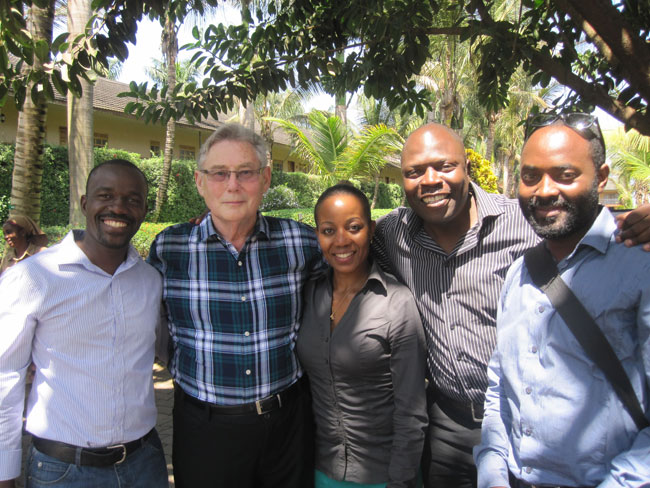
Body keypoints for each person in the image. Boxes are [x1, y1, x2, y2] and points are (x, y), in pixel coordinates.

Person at [371, 122, 650, 488]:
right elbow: (348, 245)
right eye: (414, 172)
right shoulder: (392, 235)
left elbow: (580, 227)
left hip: (561, 445)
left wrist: (636, 224)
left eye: (444, 166)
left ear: (467, 167)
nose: (430, 180)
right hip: (451, 427)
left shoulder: (528, 221)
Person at [474, 116, 650, 487]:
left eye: (565, 175)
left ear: (601, 177)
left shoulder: (640, 266)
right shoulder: (519, 274)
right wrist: (492, 470)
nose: (544, 190)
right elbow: (500, 387)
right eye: (530, 176)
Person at [147, 123, 326, 488]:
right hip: (204, 429)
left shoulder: (301, 243)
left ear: (266, 179)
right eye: (219, 173)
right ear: (199, 182)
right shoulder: (170, 248)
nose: (232, 185)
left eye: (245, 172)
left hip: (288, 425)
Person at [0, 159, 168, 488]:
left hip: (145, 464)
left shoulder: (150, 280)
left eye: (132, 200)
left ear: (144, 210)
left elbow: (168, 350)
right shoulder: (33, 278)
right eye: (105, 196)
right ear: (84, 203)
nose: (118, 208)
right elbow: (5, 376)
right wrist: (4, 473)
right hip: (63, 471)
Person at [297, 184, 428, 488]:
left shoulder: (396, 302)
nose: (341, 240)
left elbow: (411, 411)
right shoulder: (309, 293)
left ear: (371, 230)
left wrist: (400, 481)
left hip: (382, 473)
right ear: (317, 235)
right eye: (328, 230)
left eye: (354, 227)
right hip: (321, 469)